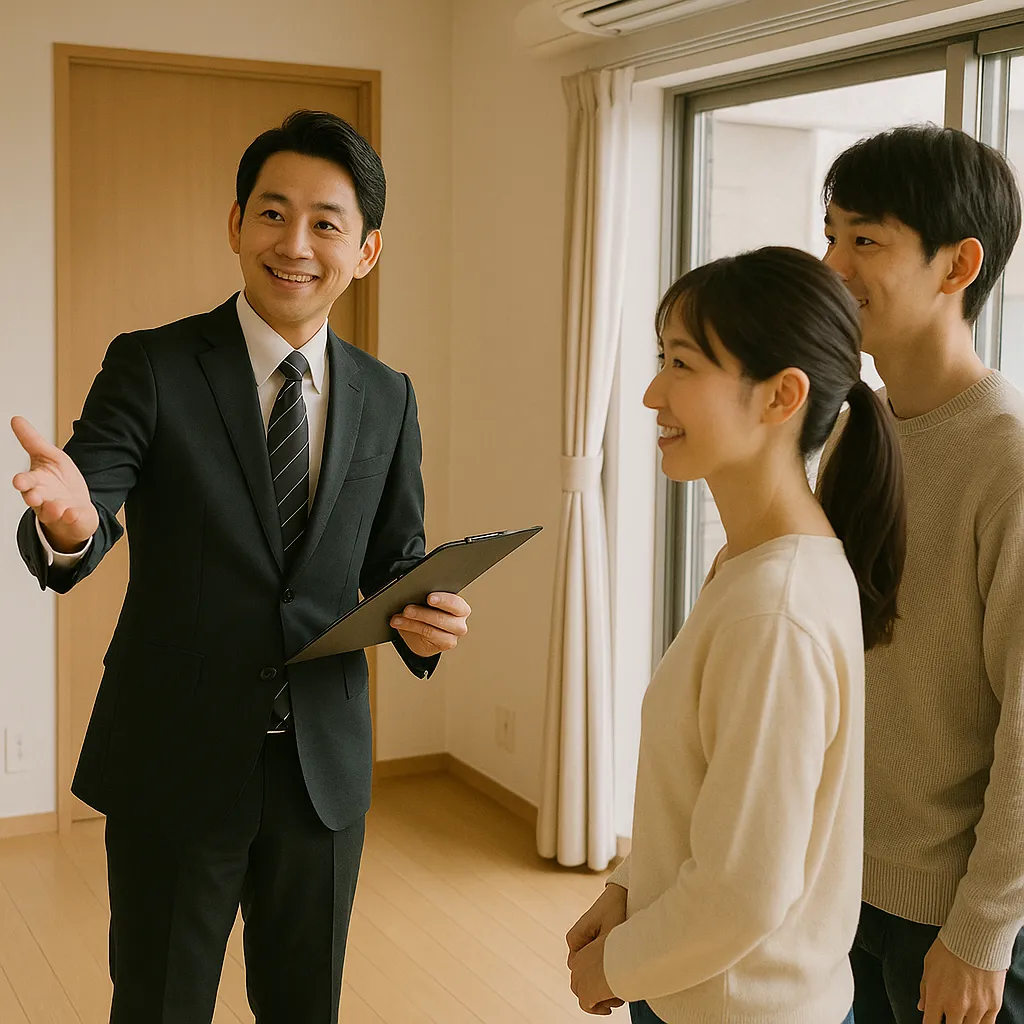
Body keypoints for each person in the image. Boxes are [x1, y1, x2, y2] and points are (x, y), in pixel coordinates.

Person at [10, 109, 471, 1024]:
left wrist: (425, 615)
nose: (295, 243)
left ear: (366, 250)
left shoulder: (389, 395)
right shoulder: (151, 366)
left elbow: (396, 558)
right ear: (235, 225)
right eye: (272, 213)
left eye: (326, 223)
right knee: (159, 1002)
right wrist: (68, 525)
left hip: (322, 771)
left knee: (305, 1006)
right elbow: (85, 506)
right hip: (175, 760)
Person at [565, 246, 906, 1023]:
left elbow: (742, 892)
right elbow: (715, 798)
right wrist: (629, 886)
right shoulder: (758, 562)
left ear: (781, 396)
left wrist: (612, 968)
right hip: (712, 987)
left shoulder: (774, 611)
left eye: (683, 364)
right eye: (663, 359)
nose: (654, 392)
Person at [820, 124, 1024, 1024]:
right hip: (839, 884)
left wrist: (981, 932)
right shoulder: (856, 432)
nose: (834, 265)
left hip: (952, 920)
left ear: (958, 265)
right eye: (830, 235)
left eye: (864, 240)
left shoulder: (1008, 459)